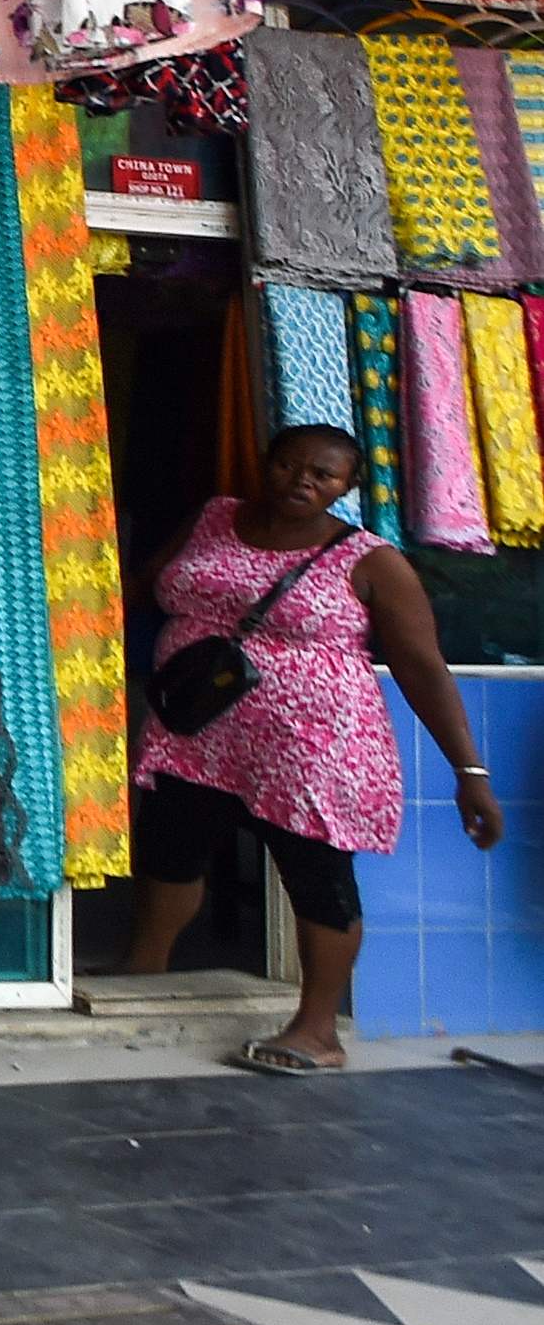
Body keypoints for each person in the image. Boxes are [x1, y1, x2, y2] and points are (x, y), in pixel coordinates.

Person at [112, 424, 503, 1074]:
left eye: (322, 474)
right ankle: (140, 972)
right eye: (289, 464)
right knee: (167, 848)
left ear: (348, 486)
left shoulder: (372, 559)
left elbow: (423, 667)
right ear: (264, 464)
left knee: (316, 875)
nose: (301, 479)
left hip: (314, 749)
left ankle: (318, 1029)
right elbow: (146, 582)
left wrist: (470, 772)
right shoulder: (213, 516)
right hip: (195, 733)